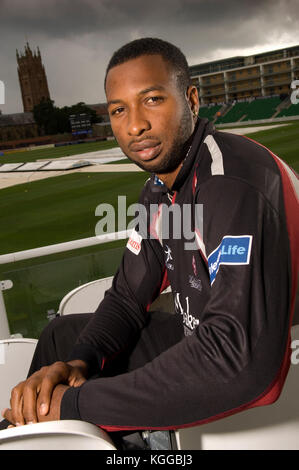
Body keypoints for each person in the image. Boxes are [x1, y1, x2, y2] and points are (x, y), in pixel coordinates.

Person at [2, 38, 299, 440]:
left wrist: (73, 404)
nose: (135, 124)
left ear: (191, 100)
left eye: (153, 100)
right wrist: (78, 364)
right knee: (63, 339)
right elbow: (126, 299)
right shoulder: (159, 189)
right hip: (201, 336)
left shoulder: (230, 183)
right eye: (119, 110)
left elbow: (238, 359)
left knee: (70, 400)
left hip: (269, 354)